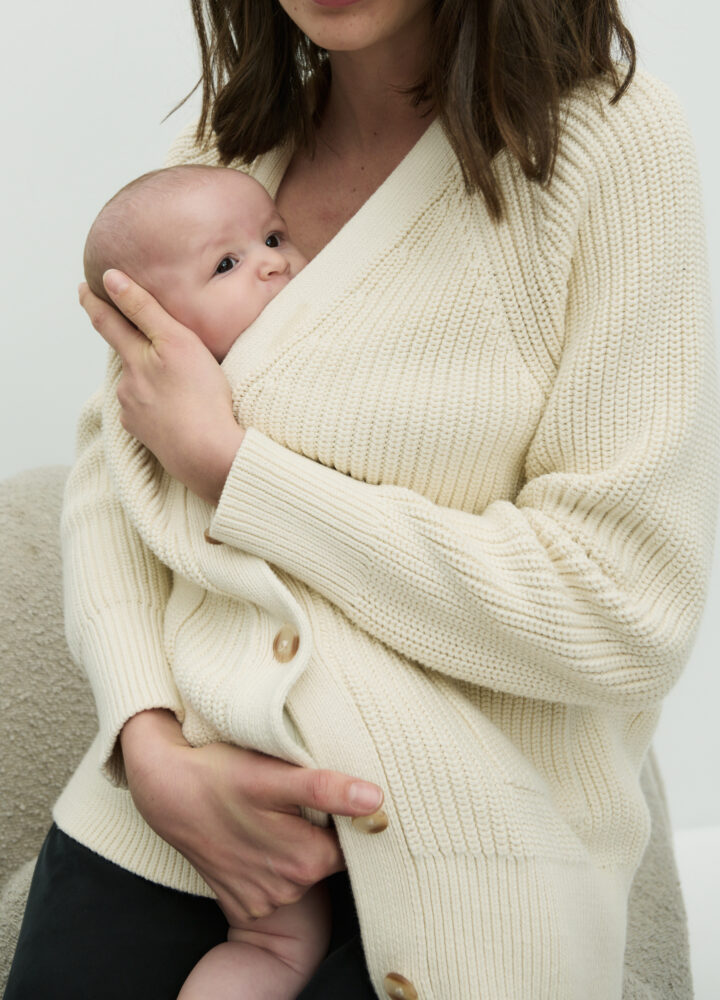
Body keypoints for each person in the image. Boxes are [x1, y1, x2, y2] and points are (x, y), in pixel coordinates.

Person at [6, 2, 717, 999]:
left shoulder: (610, 149)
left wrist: (239, 471)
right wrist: (148, 743)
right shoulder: (229, 146)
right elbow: (112, 462)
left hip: (467, 851)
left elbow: (624, 609)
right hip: (171, 820)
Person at [83, 162, 338, 1000]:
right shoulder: (154, 401)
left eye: (271, 238)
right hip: (229, 737)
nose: (271, 262)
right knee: (268, 941)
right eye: (226, 266)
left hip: (373, 751)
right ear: (148, 327)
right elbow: (108, 519)